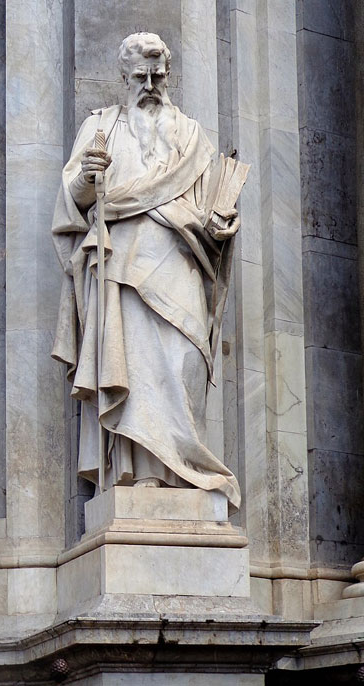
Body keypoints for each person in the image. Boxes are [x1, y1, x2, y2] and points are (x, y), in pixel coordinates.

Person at [52, 32, 241, 509]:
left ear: (169, 74)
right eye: (141, 76)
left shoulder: (192, 135)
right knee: (132, 367)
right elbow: (71, 203)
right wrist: (83, 180)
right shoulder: (101, 128)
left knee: (181, 364)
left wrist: (221, 224)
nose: (150, 84)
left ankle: (183, 470)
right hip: (123, 265)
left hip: (181, 262)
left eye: (158, 75)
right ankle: (138, 474)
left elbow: (210, 207)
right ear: (124, 76)